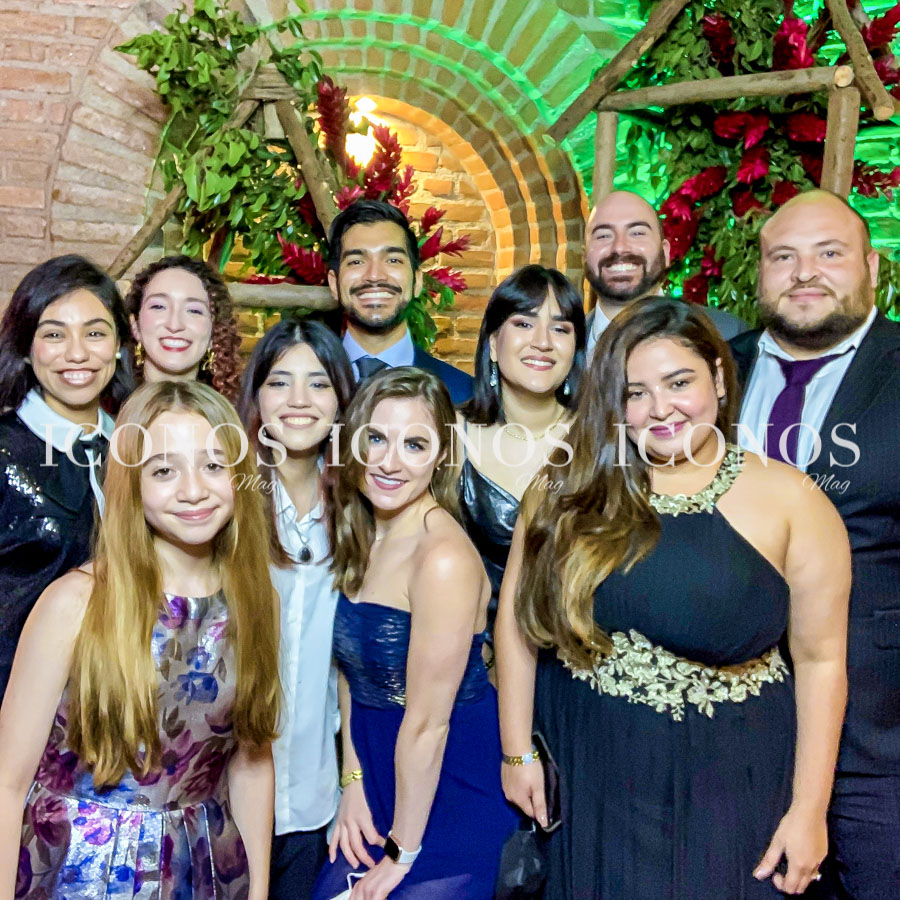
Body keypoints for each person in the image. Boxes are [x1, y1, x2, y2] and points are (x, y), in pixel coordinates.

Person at [496, 297, 851, 899]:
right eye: (634, 393)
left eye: (679, 382)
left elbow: (822, 663)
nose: (659, 408)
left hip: (731, 785)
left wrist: (809, 809)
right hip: (588, 774)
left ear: (719, 378)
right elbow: (515, 621)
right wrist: (516, 753)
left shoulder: (792, 500)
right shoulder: (568, 486)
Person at [0, 380, 279, 899]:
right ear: (131, 483)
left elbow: (252, 762)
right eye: (164, 471)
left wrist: (258, 890)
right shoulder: (76, 602)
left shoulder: (254, 600)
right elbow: (7, 781)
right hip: (72, 870)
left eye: (213, 465)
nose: (193, 490)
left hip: (201, 868)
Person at [731, 189, 900, 900]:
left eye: (829, 253)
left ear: (872, 266)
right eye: (783, 257)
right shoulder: (711, 372)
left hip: (876, 738)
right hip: (730, 735)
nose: (805, 273)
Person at [312, 368, 516, 899]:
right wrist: (353, 782)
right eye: (376, 438)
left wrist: (401, 852)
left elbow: (428, 724)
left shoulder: (442, 558)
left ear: (441, 455)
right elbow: (352, 671)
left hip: (449, 790)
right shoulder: (365, 533)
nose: (389, 462)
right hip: (378, 777)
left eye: (415, 444)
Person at [238, 318, 355, 899]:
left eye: (319, 383)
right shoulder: (224, 503)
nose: (300, 400)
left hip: (315, 797)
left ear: (342, 400)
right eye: (280, 382)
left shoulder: (359, 514)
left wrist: (353, 781)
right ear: (257, 397)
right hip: (224, 796)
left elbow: (353, 667)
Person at [0, 255, 133, 706]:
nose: (77, 354)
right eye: (54, 334)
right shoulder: (5, 450)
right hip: (14, 706)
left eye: (95, 333)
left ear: (119, 344)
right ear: (25, 346)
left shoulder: (138, 449)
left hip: (115, 705)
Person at [458, 264, 585, 640]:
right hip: (471, 652)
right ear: (493, 344)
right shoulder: (449, 434)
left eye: (560, 329)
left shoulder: (600, 439)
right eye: (524, 324)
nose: (542, 342)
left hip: (577, 652)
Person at [327, 200, 474, 404]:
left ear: (417, 282)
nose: (375, 276)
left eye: (393, 260)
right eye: (356, 262)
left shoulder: (464, 394)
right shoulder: (301, 390)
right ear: (333, 284)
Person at [584, 190, 746, 351]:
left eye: (637, 233)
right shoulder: (570, 344)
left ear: (665, 252)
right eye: (603, 236)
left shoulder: (729, 335)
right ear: (584, 255)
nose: (619, 247)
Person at [125, 254, 242, 400]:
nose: (175, 325)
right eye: (159, 306)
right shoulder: (108, 411)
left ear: (215, 328)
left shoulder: (236, 412)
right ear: (135, 325)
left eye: (194, 310)